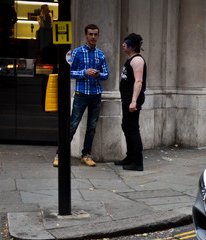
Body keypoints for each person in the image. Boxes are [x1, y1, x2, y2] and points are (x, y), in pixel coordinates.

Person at [53, 24, 109, 167]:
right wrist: (84, 72)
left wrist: (98, 74)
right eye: (90, 34)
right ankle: (60, 154)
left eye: (95, 34)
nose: (93, 37)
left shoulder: (100, 54)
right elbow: (68, 72)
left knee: (92, 126)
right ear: (85, 35)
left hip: (96, 94)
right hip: (81, 94)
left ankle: (86, 154)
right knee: (72, 125)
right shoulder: (76, 53)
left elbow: (106, 74)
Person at [115, 33, 147, 171]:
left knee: (133, 129)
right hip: (127, 99)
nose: (123, 44)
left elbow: (138, 81)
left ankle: (137, 162)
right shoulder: (131, 59)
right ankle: (130, 158)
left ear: (133, 46)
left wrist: (133, 101)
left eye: (126, 42)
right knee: (126, 127)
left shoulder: (137, 60)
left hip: (132, 100)